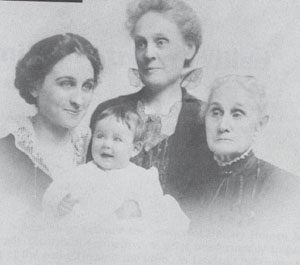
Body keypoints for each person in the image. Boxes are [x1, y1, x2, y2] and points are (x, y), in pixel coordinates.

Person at [89, 0, 214, 217]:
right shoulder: (109, 112)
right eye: (141, 43)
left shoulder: (206, 118)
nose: (148, 54)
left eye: (161, 42)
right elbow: (87, 187)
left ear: (189, 48)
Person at [43, 104, 189, 231]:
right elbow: (54, 192)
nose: (106, 144)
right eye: (100, 136)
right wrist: (59, 204)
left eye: (117, 139)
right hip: (90, 236)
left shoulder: (141, 177)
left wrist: (138, 208)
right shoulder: (81, 173)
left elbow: (157, 207)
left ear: (135, 149)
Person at [0, 33, 102, 212]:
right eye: (66, 84)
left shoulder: (100, 148)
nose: (78, 100)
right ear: (34, 86)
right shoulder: (7, 153)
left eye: (87, 86)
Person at [189, 75, 300, 232]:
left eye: (237, 114)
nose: (223, 126)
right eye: (216, 112)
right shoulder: (191, 184)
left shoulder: (285, 187)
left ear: (259, 124)